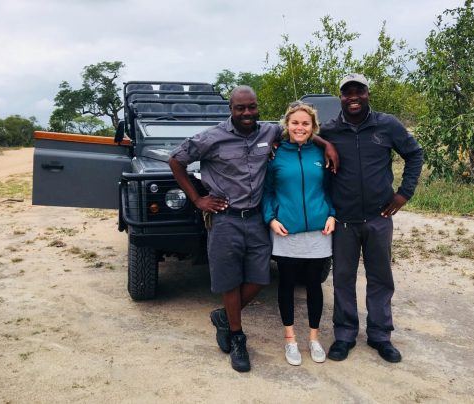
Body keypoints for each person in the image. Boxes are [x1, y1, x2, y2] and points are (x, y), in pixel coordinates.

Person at [168, 86, 338, 373]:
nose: (247, 113)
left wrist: (326, 145)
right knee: (229, 280)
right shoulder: (211, 138)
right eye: (240, 108)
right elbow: (176, 160)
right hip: (225, 219)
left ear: (257, 107)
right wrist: (198, 199)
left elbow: (299, 129)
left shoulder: (268, 132)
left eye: (252, 107)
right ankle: (237, 337)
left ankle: (224, 316)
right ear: (231, 109)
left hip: (257, 218)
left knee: (260, 278)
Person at [321, 73, 423, 363]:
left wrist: (404, 194)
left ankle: (380, 335)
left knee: (380, 277)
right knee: (342, 278)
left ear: (368, 93)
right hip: (343, 219)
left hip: (379, 217)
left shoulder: (387, 124)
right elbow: (298, 134)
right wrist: (322, 142)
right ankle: (344, 335)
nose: (353, 97)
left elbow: (415, 155)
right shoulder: (330, 130)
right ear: (340, 96)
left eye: (359, 91)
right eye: (347, 92)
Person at [262, 102, 335, 366]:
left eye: (305, 123)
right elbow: (267, 192)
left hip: (318, 231)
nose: (300, 127)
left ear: (313, 127)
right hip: (286, 231)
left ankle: (314, 338)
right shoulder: (276, 155)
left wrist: (332, 214)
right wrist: (270, 219)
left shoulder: (321, 154)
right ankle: (290, 339)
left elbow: (330, 189)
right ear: (287, 125)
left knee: (315, 286)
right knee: (287, 285)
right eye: (295, 123)